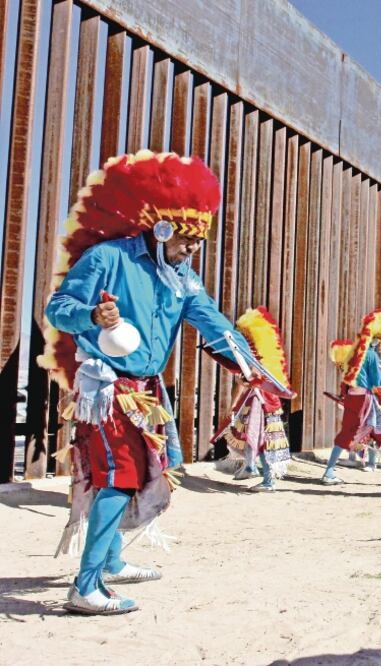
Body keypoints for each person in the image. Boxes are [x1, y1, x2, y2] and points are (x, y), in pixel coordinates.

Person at [40, 151, 255, 615]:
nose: (192, 249)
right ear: (161, 228)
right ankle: (87, 585)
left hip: (148, 393)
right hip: (107, 389)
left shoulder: (182, 278)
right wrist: (92, 316)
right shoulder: (107, 259)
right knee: (120, 477)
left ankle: (112, 560)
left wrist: (250, 363)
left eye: (199, 243)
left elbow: (213, 322)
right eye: (187, 240)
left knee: (132, 477)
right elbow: (58, 309)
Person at [211, 306, 294, 492]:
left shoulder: (254, 358)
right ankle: (250, 466)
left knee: (259, 437)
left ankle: (267, 480)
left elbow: (246, 380)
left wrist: (235, 400)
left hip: (261, 401)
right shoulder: (266, 357)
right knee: (252, 435)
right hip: (264, 400)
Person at [322, 309, 381, 486]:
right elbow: (377, 382)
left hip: (354, 398)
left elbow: (347, 377)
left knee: (380, 432)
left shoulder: (355, 353)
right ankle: (329, 473)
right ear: (376, 338)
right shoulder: (372, 356)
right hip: (365, 401)